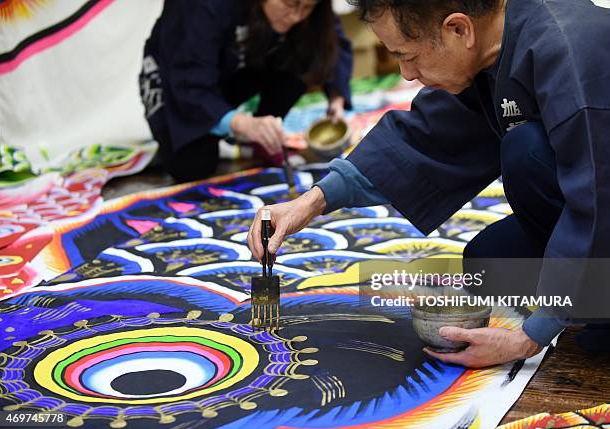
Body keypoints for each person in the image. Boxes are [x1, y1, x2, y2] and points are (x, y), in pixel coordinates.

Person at [247, 0, 610, 367]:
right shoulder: (491, 45)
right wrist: (310, 202)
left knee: (524, 149)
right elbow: (427, 135)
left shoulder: (570, 51)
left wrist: (527, 339)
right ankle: (591, 297)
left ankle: (598, 302)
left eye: (408, 55)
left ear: (458, 29)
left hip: (604, 211)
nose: (406, 74)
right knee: (490, 265)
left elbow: (596, 201)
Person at [139, 0, 353, 182]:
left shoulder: (296, 13)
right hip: (176, 74)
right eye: (289, 4)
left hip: (235, 62)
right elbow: (186, 78)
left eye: (307, 7)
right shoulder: (199, 6)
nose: (295, 16)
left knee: (306, 42)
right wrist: (241, 124)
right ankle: (236, 132)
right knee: (191, 165)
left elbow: (329, 37)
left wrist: (336, 98)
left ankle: (260, 139)